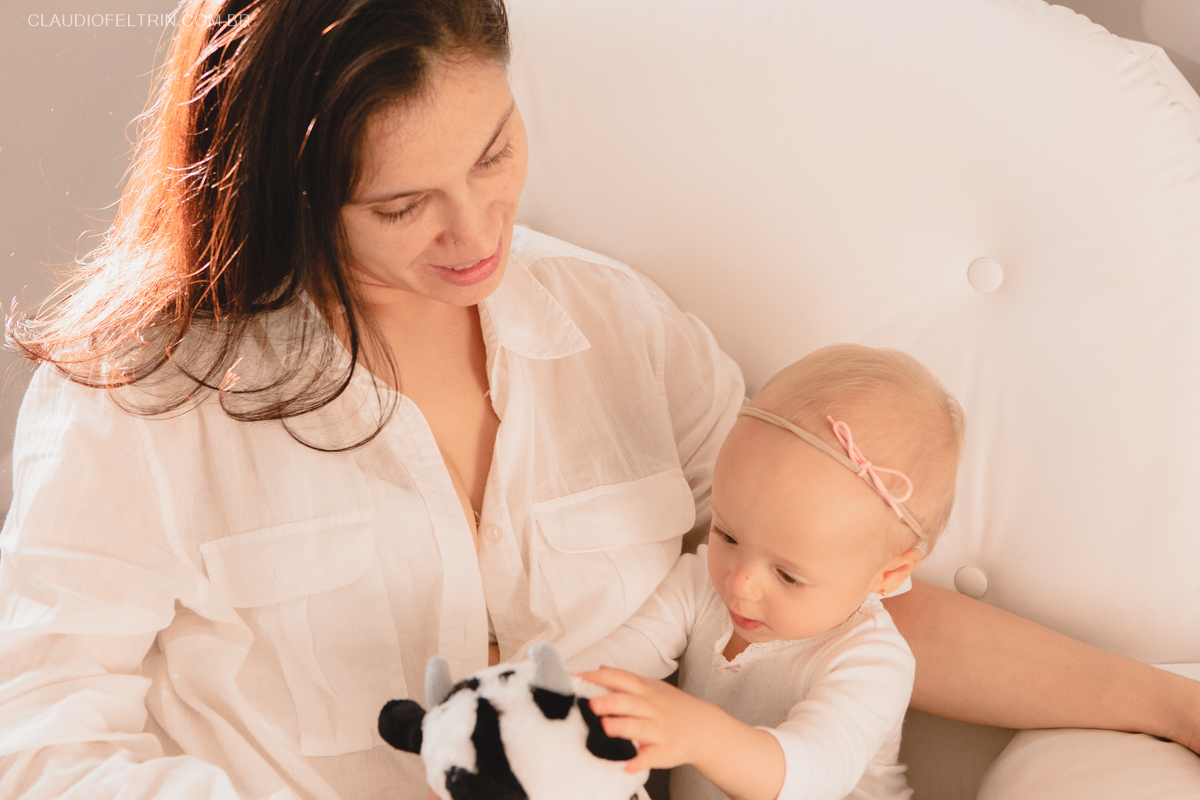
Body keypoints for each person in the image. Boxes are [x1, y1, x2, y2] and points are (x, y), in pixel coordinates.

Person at [0, 1, 1196, 799]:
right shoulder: (143, 399)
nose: (477, 235)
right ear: (286, 195)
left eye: (493, 151)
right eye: (401, 205)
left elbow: (819, 598)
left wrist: (1170, 704)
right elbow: (42, 737)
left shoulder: (620, 332)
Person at [572, 345, 963, 800]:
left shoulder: (872, 662)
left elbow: (809, 775)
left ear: (888, 575)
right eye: (727, 536)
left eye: (788, 576)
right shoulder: (701, 584)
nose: (739, 583)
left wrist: (702, 735)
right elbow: (612, 660)